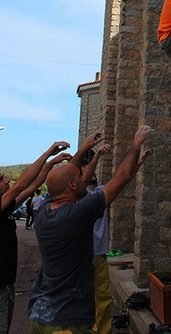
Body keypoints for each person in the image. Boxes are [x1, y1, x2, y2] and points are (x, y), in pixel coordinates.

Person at [28, 126, 154, 334]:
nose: (84, 179)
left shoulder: (42, 211)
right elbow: (120, 179)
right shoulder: (78, 214)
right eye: (80, 178)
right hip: (65, 323)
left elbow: (63, 178)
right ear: (71, 185)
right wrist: (135, 144)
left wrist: (85, 148)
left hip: (39, 316)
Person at [0, 141, 71, 334]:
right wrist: (48, 153)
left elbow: (30, 187)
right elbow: (22, 183)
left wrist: (50, 164)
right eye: (1, 179)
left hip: (6, 284)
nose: (7, 181)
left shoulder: (5, 208)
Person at [82, 144, 112, 334]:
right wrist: (97, 155)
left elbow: (123, 177)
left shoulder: (102, 192)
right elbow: (83, 180)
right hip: (82, 257)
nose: (92, 172)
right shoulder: (78, 196)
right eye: (86, 167)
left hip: (99, 255)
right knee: (83, 299)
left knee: (103, 298)